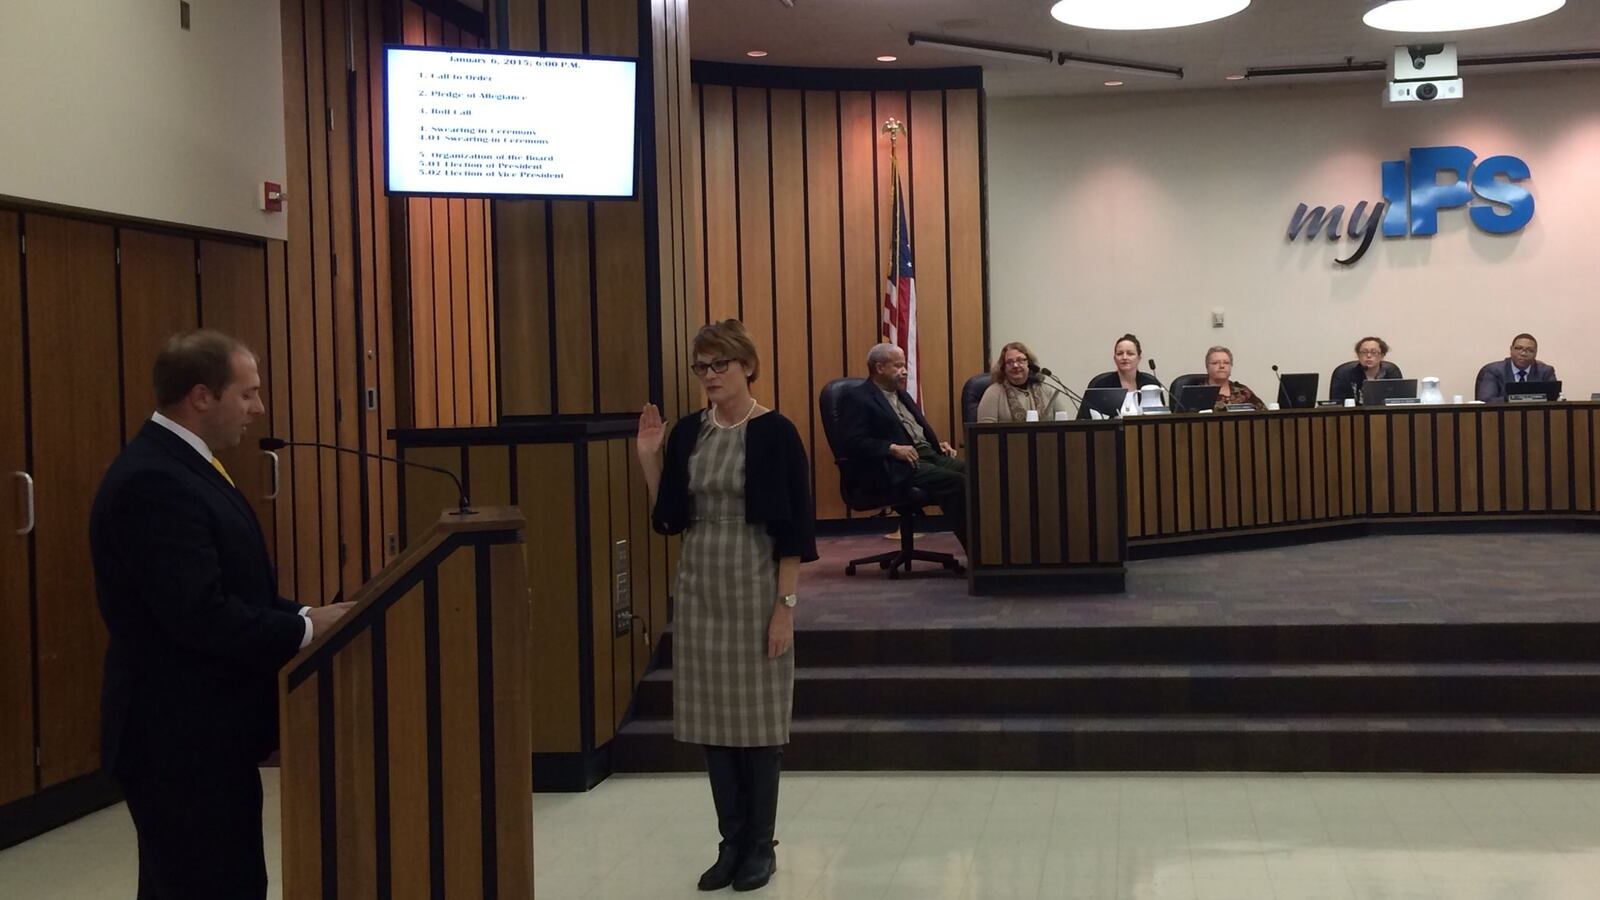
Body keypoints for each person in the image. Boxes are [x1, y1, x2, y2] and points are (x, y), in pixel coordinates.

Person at [90, 330, 353, 900]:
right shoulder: (154, 481)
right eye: (249, 393)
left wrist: (308, 612)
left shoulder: (187, 465)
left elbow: (235, 586)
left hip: (206, 738)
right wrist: (305, 631)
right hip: (177, 741)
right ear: (202, 396)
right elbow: (198, 615)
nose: (258, 410)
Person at [636, 320, 817, 893]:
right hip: (700, 581)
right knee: (714, 721)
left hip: (755, 578)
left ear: (747, 367)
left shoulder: (776, 432)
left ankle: (761, 846)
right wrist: (649, 455)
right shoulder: (690, 432)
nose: (709, 376)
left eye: (720, 365)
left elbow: (794, 531)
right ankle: (730, 842)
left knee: (759, 724)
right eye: (701, 367)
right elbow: (669, 516)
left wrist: (784, 607)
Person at [837, 343, 969, 553]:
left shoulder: (901, 394)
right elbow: (852, 442)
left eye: (904, 365)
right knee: (957, 482)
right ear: (879, 368)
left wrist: (935, 443)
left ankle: (995, 550)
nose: (905, 371)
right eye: (898, 366)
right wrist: (891, 448)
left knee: (977, 474)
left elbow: (912, 430)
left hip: (925, 454)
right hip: (894, 465)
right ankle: (978, 555)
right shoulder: (856, 398)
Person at [976, 340, 1072, 423]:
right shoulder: (993, 393)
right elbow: (985, 435)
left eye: (1020, 360)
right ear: (1003, 367)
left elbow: (1063, 423)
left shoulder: (1045, 389)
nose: (1015, 365)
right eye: (1009, 362)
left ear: (1029, 364)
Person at [1079, 333, 1162, 419]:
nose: (1124, 357)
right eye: (1120, 354)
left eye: (1130, 353)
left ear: (1139, 358)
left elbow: (1161, 418)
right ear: (1114, 358)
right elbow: (1084, 419)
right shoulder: (1101, 384)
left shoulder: (1151, 384)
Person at [1476, 333, 1557, 402]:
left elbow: (1554, 400)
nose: (1523, 353)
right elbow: (1486, 400)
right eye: (1519, 348)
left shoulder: (1545, 372)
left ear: (1535, 353)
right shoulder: (1494, 371)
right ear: (1511, 350)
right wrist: (1516, 399)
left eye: (1529, 350)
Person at [1329, 336, 1403, 403]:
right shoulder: (1345, 374)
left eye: (1374, 352)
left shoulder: (1391, 373)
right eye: (1364, 352)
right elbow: (1337, 404)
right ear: (1358, 355)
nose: (1369, 355)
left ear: (1382, 355)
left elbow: (1400, 402)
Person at [1204, 345, 1266, 412]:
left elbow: (1265, 414)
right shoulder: (1199, 393)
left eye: (1226, 363)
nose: (1222, 366)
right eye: (1215, 363)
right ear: (1207, 367)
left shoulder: (1243, 392)